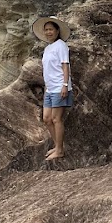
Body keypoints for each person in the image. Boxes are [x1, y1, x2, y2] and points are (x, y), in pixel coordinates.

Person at [32, 16, 73, 161]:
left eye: (51, 29)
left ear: (57, 31)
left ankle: (60, 150)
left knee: (56, 119)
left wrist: (65, 85)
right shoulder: (48, 48)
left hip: (59, 87)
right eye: (46, 30)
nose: (48, 32)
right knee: (46, 119)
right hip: (49, 89)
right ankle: (57, 146)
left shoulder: (61, 45)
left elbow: (65, 65)